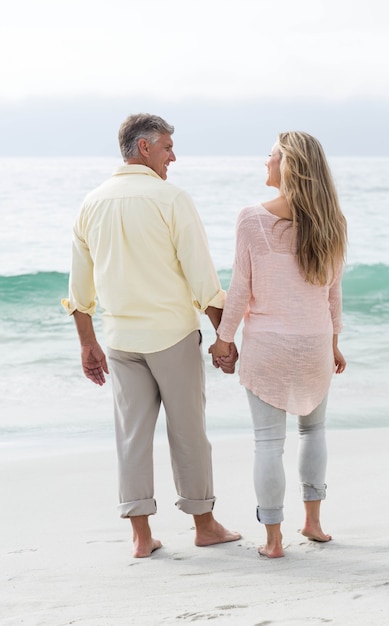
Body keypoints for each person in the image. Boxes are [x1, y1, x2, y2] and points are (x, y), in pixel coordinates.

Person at [62, 113, 240, 558]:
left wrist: (87, 344)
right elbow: (203, 279)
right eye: (166, 148)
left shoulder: (91, 203)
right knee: (189, 432)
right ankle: (205, 526)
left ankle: (141, 537)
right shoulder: (171, 198)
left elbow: (79, 291)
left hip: (120, 340)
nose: (172, 157)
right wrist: (226, 338)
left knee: (131, 435)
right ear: (144, 148)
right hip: (172, 336)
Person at [209, 131, 347, 558]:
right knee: (314, 431)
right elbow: (333, 294)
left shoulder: (252, 217)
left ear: (287, 165)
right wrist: (335, 344)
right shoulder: (333, 222)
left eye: (270, 156)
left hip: (269, 347)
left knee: (269, 443)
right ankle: (314, 523)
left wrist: (223, 340)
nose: (264, 163)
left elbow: (240, 290)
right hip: (315, 346)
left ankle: (273, 540)